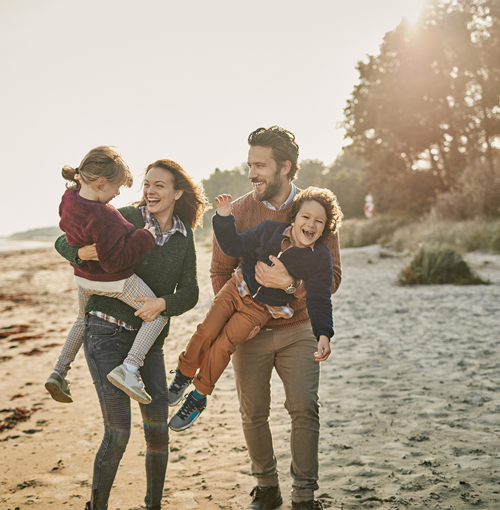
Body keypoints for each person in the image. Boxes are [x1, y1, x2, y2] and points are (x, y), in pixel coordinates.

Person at [55, 159, 208, 510]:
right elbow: (61, 241)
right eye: (147, 184)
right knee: (119, 432)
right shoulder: (126, 217)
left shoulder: (184, 237)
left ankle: (152, 506)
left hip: (148, 346)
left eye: (159, 185)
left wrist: (162, 303)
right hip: (105, 333)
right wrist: (78, 252)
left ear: (177, 192)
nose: (150, 191)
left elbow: (191, 291)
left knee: (158, 434)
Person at [209, 127, 342, 510]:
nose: (252, 173)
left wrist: (291, 284)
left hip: (297, 328)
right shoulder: (238, 210)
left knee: (303, 407)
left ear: (285, 167)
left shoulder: (315, 211)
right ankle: (266, 487)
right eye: (250, 165)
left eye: (261, 165)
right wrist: (238, 316)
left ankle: (304, 495)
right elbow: (221, 269)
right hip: (248, 330)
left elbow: (331, 277)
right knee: (253, 412)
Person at [168, 187, 342, 433]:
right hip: (235, 288)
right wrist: (224, 218)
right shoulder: (269, 229)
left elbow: (320, 296)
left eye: (319, 221)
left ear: (325, 229)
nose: (311, 224)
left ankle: (198, 396)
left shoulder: (319, 257)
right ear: (294, 218)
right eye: (306, 217)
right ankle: (183, 375)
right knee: (205, 332)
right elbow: (233, 246)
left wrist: (324, 333)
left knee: (223, 346)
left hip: (262, 309)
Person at [45, 146, 167, 406]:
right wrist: (145, 236)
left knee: (81, 319)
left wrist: (80, 253)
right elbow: (115, 262)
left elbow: (66, 230)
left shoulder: (69, 198)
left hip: (83, 280)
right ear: (101, 183)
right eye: (117, 188)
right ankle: (130, 368)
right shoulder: (105, 215)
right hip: (115, 283)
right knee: (157, 314)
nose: (117, 194)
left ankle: (59, 371)